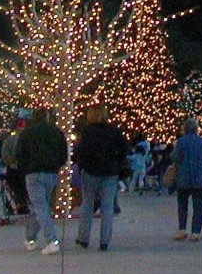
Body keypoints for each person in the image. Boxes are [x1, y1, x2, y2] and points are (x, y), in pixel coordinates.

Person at [75, 105, 127, 251]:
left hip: (91, 171)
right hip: (110, 172)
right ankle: (104, 240)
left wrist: (82, 166)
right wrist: (117, 163)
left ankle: (83, 238)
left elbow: (81, 151)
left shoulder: (87, 131)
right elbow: (124, 148)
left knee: (87, 204)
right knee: (107, 206)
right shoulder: (114, 131)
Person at [15, 110, 68, 255]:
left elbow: (19, 153)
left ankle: (51, 240)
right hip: (51, 172)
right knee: (41, 206)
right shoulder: (56, 132)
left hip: (33, 173)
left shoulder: (27, 133)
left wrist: (23, 168)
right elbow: (64, 152)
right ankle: (30, 237)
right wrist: (58, 165)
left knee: (39, 206)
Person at [172, 118, 202, 241]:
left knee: (182, 204)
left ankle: (182, 229)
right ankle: (196, 232)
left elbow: (175, 158)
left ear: (184, 129)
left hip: (184, 177)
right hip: (201, 178)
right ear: (196, 129)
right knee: (199, 206)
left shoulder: (181, 142)